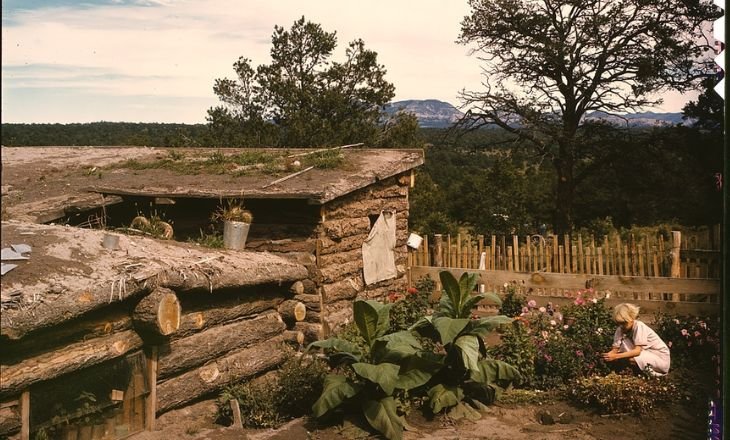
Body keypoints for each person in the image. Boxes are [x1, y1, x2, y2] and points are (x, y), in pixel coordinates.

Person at [602, 303, 671, 376]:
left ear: (632, 319)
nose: (621, 326)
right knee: (624, 347)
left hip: (659, 358)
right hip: (646, 353)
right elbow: (615, 349)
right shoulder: (620, 329)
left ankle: (651, 375)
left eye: (624, 323)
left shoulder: (639, 326)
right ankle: (636, 373)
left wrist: (615, 356)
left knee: (632, 359)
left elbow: (637, 352)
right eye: (618, 323)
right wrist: (608, 356)